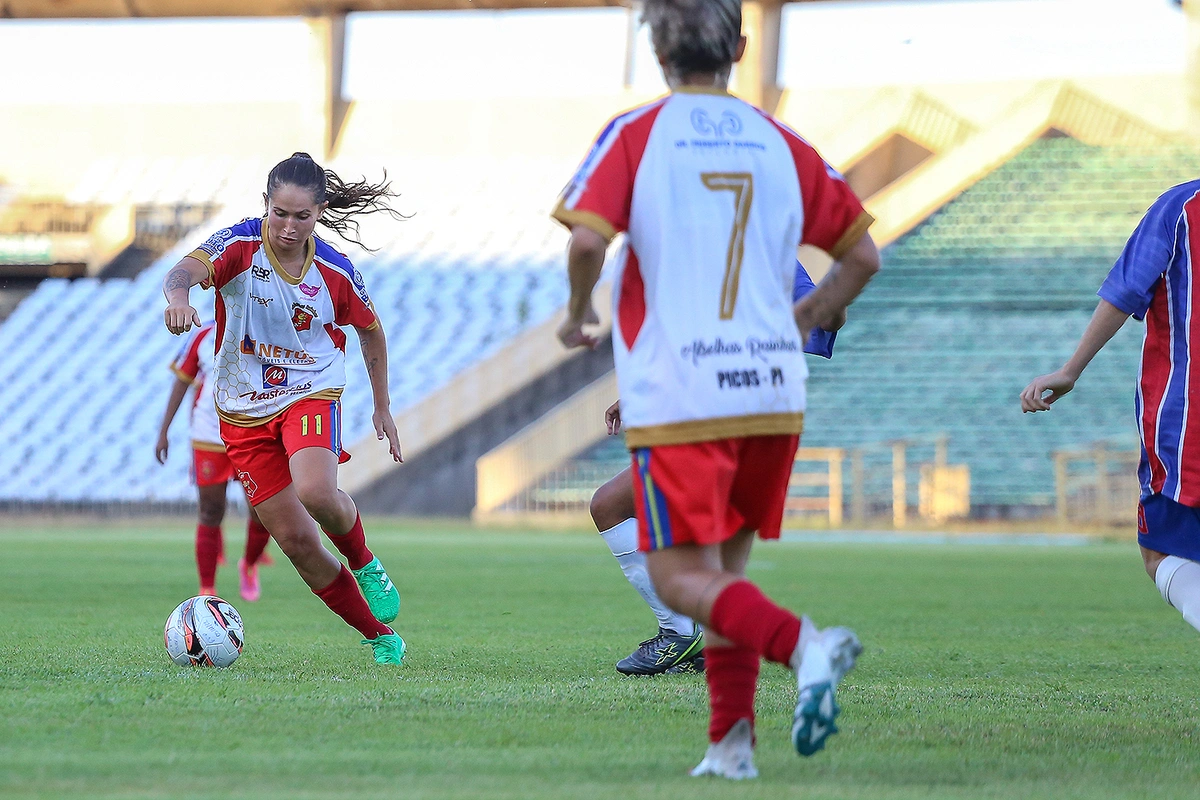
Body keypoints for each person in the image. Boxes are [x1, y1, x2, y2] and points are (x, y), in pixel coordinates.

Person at [552, 0, 881, 778]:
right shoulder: (783, 141)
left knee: (678, 577)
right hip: (771, 391)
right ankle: (731, 748)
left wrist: (577, 312)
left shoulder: (637, 135)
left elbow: (588, 239)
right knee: (724, 578)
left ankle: (808, 645)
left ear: (656, 48)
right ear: (738, 45)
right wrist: (804, 315)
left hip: (687, 396)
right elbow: (863, 257)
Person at [161, 152, 406, 665]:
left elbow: (370, 331)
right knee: (296, 541)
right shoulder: (239, 246)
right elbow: (182, 271)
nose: (288, 226)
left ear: (319, 215)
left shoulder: (335, 271)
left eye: (302, 216)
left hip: (309, 390)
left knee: (317, 491)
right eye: (280, 213)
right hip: (241, 408)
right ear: (265, 206)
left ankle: (363, 559)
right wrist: (179, 298)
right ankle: (378, 634)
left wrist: (382, 406)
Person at [591, 261, 844, 677]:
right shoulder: (707, 254)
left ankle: (798, 647)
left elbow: (830, 309)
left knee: (691, 568)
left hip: (727, 430)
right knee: (626, 516)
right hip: (724, 426)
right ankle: (714, 664)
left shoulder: (756, 253)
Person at [1020, 180, 1200, 638]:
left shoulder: (1180, 208)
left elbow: (1126, 289)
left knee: (1161, 551)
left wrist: (1071, 369)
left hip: (1185, 422)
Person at [156, 319, 273, 601]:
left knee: (263, 510)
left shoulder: (266, 327)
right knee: (210, 510)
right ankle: (207, 588)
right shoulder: (204, 335)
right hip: (209, 433)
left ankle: (249, 563)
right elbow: (182, 382)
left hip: (253, 432)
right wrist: (164, 431)